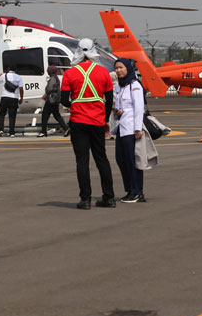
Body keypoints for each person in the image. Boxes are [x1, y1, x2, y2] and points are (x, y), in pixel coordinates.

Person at [60, 38, 116, 209]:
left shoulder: (70, 73)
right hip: (97, 121)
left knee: (82, 161)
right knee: (101, 159)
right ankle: (109, 197)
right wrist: (105, 119)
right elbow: (109, 100)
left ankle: (85, 199)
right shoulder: (103, 72)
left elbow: (63, 100)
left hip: (78, 122)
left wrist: (76, 104)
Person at [112, 58, 146, 203]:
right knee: (121, 158)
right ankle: (129, 190)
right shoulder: (119, 86)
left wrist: (138, 128)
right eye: (116, 68)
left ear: (127, 68)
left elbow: (139, 108)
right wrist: (116, 111)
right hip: (121, 127)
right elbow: (116, 105)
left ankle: (137, 191)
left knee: (133, 161)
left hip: (132, 128)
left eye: (121, 68)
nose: (118, 70)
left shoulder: (135, 85)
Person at [38, 65, 69, 137]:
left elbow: (49, 89)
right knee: (57, 115)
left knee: (45, 116)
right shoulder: (56, 77)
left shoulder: (52, 78)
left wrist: (45, 95)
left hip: (50, 101)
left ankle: (43, 132)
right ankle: (66, 128)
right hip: (55, 100)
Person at [0, 64, 23, 137]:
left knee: (1, 114)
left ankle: (0, 130)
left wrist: (0, 76)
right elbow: (21, 89)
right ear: (16, 70)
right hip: (14, 98)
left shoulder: (4, 75)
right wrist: (21, 98)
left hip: (4, 97)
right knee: (12, 116)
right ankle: (12, 133)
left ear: (8, 68)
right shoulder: (19, 77)